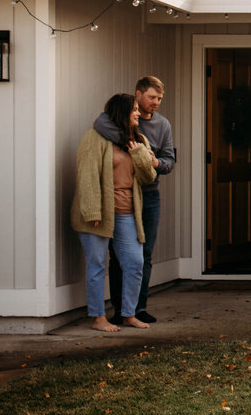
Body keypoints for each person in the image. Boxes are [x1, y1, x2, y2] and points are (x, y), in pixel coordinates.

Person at [71, 93, 157, 332]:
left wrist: (139, 154)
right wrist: (91, 211)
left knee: (135, 262)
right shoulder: (95, 138)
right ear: (122, 112)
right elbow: (86, 175)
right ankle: (98, 318)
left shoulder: (138, 139)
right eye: (134, 110)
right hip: (98, 213)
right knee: (97, 264)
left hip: (128, 213)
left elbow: (149, 177)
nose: (139, 113)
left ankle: (128, 314)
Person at [93, 76, 174, 324]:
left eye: (159, 99)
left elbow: (169, 161)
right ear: (138, 94)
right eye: (152, 97)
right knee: (119, 255)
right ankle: (120, 309)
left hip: (148, 195)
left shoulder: (163, 125)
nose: (156, 103)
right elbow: (100, 125)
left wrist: (155, 162)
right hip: (122, 196)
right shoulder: (114, 119)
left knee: (144, 253)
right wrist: (133, 143)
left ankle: (138, 308)